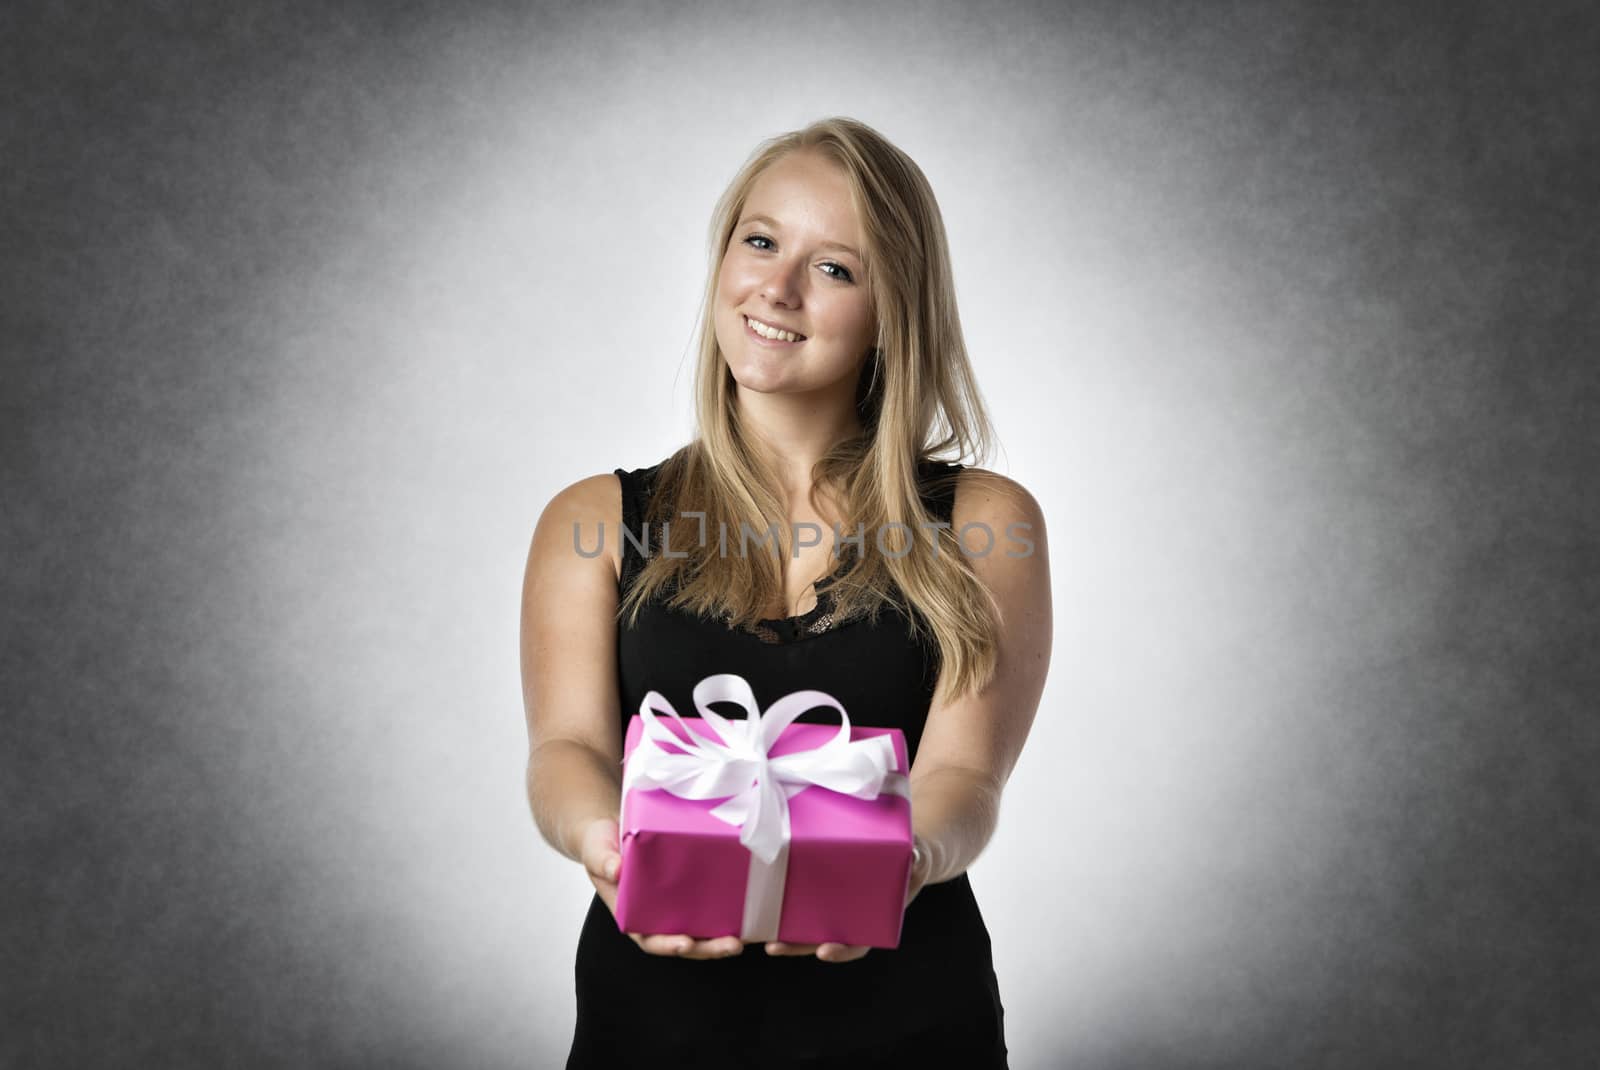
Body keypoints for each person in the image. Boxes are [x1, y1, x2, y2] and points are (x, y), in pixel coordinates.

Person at [520, 116, 1051, 1068]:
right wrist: (603, 844)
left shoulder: (983, 522)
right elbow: (566, 749)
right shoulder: (590, 520)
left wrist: (905, 862)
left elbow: (966, 777)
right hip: (652, 1026)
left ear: (894, 310)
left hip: (909, 1025)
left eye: (835, 268)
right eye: (760, 241)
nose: (777, 287)